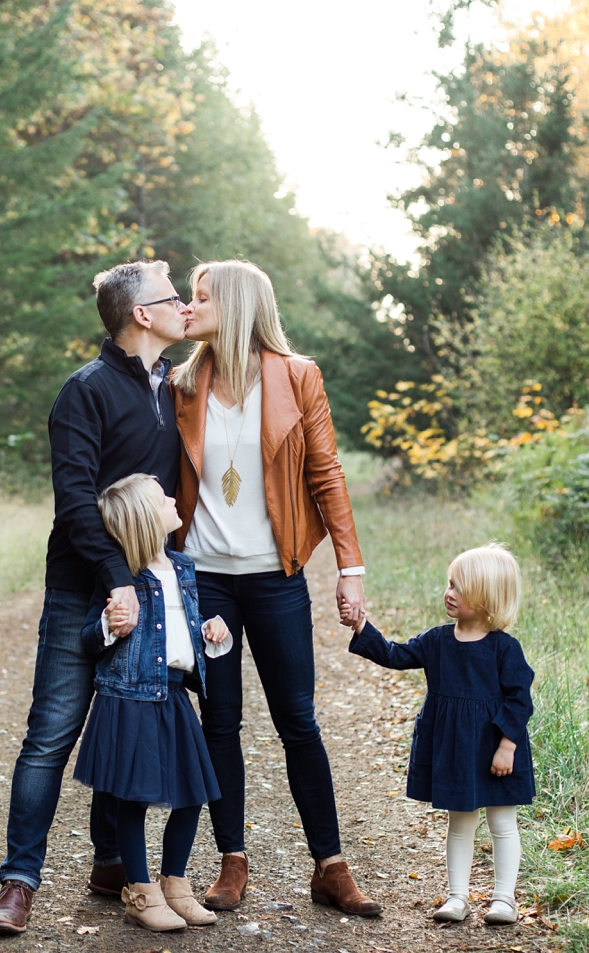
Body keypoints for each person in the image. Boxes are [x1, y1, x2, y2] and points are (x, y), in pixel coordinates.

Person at [0, 260, 188, 936]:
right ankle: (18, 883)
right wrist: (115, 579)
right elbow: (75, 502)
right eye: (172, 298)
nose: (183, 306)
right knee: (52, 734)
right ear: (142, 315)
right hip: (83, 588)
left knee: (125, 727)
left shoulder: (173, 388)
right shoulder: (85, 391)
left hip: (149, 592)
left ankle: (110, 864)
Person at [171, 260, 380, 916]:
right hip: (206, 581)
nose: (188, 306)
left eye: (201, 297)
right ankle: (231, 860)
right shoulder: (180, 384)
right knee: (219, 721)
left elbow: (327, 472)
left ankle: (331, 866)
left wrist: (350, 567)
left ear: (235, 307)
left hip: (276, 578)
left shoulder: (296, 376)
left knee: (298, 720)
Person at [345, 543, 536, 925]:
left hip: (496, 748)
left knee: (502, 824)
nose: (449, 592)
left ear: (486, 597)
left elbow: (519, 700)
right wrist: (362, 626)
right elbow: (395, 654)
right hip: (457, 750)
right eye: (450, 583)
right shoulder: (437, 640)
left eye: (459, 587)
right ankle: (457, 897)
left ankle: (504, 899)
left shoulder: (504, 649)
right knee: (460, 824)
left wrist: (507, 745)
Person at [74, 474, 232, 931]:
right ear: (146, 520)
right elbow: (89, 637)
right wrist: (109, 623)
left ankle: (175, 886)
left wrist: (210, 631)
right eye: (163, 499)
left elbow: (182, 628)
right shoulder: (122, 578)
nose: (173, 500)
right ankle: (141, 894)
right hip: (130, 699)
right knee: (135, 799)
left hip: (173, 695)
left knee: (193, 793)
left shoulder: (182, 566)